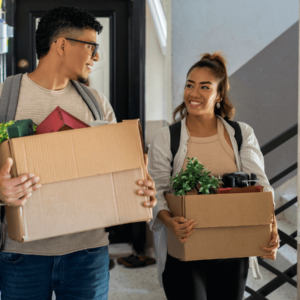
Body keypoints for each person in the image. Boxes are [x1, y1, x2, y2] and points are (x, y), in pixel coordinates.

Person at [0, 7, 156, 300]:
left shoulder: (96, 103)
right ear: (62, 45)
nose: (96, 57)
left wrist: (139, 187)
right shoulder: (5, 98)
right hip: (22, 256)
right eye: (91, 46)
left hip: (88, 253)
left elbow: (117, 171)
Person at [147, 52, 279, 300]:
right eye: (190, 85)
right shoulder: (167, 137)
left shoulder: (241, 134)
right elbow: (156, 191)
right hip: (184, 247)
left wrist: (272, 226)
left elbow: (261, 185)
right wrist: (169, 222)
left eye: (204, 87)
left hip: (233, 249)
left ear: (219, 95)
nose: (193, 93)